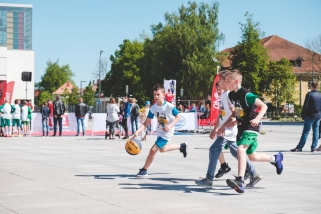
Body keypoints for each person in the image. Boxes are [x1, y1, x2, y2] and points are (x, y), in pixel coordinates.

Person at [195, 70, 262, 189]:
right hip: (225, 130)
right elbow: (221, 115)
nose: (219, 83)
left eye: (221, 81)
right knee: (235, 152)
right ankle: (254, 174)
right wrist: (215, 128)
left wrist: (225, 126)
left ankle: (209, 179)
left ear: (227, 83)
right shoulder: (224, 95)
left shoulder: (228, 96)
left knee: (214, 149)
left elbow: (234, 113)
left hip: (228, 131)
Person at [223, 70, 283, 193]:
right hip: (242, 126)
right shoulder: (231, 95)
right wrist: (236, 119)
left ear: (236, 81)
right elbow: (239, 109)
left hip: (251, 126)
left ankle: (240, 180)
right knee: (253, 156)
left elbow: (264, 106)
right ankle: (275, 158)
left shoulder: (247, 95)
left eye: (228, 81)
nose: (226, 82)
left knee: (240, 150)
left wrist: (257, 118)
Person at [132, 84, 188, 177]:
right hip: (160, 131)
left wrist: (170, 126)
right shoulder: (153, 108)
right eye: (154, 94)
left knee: (153, 150)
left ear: (163, 95)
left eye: (158, 94)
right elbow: (146, 123)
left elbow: (178, 116)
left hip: (167, 132)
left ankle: (144, 170)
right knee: (163, 149)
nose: (156, 96)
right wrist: (137, 132)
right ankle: (182, 146)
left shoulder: (169, 107)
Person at [291, 82, 321, 152]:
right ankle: (313, 147)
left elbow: (306, 106)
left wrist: (303, 114)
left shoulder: (309, 94)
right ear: (317, 87)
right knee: (316, 132)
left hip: (310, 116)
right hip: (318, 116)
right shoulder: (320, 95)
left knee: (305, 132)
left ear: (312, 87)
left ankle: (300, 147)